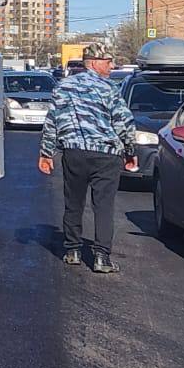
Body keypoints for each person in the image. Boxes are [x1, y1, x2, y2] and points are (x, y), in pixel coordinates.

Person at [38, 43, 137, 273]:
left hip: (74, 154)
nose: (112, 66)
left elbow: (52, 120)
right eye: (108, 61)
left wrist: (46, 152)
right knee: (103, 206)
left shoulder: (64, 87)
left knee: (73, 202)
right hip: (107, 155)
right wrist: (131, 151)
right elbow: (124, 122)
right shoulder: (110, 88)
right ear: (93, 63)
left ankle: (72, 250)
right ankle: (101, 257)